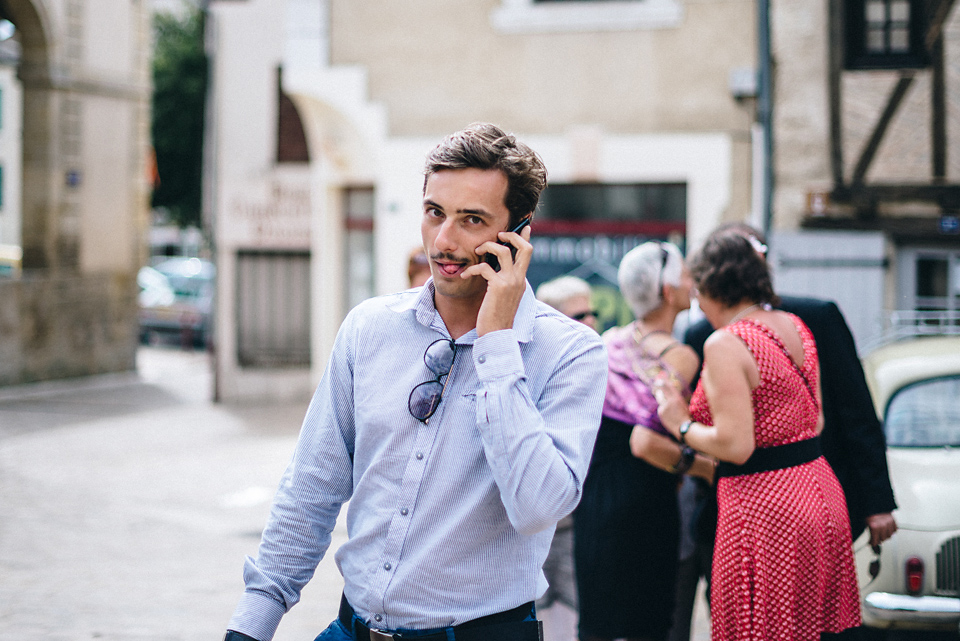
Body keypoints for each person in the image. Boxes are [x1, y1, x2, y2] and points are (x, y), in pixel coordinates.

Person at [223, 123, 609, 641]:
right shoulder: (369, 328)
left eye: (471, 219)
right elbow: (312, 484)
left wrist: (496, 344)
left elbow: (538, 506)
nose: (444, 241)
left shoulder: (571, 352)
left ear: (519, 232)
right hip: (351, 630)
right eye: (434, 213)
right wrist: (252, 625)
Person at [656, 231, 862, 640]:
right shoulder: (794, 325)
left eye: (699, 293)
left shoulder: (726, 343)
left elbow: (736, 445)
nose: (699, 304)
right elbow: (815, 422)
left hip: (766, 507)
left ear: (714, 286)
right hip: (819, 494)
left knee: (760, 628)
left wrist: (677, 422)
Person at [573, 242, 716, 641]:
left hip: (596, 497)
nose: (693, 283)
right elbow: (645, 442)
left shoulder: (609, 341)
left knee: (598, 624)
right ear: (668, 292)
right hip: (642, 500)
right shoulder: (678, 356)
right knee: (647, 623)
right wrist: (705, 466)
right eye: (686, 275)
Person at [533, 275, 598, 641]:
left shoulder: (593, 364)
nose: (590, 322)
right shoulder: (535, 369)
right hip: (535, 530)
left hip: (578, 529)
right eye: (580, 315)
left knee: (574, 625)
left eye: (593, 313)